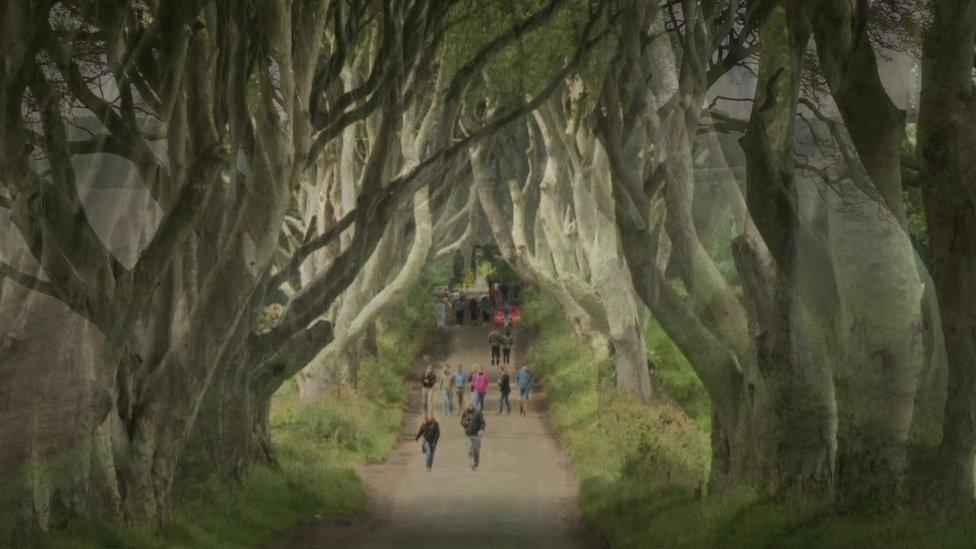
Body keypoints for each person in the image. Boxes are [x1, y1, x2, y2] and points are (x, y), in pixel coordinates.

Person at [460, 401, 486, 471]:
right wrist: (464, 424)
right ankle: (471, 463)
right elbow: (462, 423)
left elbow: (483, 422)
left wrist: (481, 430)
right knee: (470, 449)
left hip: (476, 435)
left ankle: (476, 463)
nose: (469, 406)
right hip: (468, 435)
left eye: (470, 405)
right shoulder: (465, 413)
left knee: (476, 450)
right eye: (467, 405)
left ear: (473, 405)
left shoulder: (477, 413)